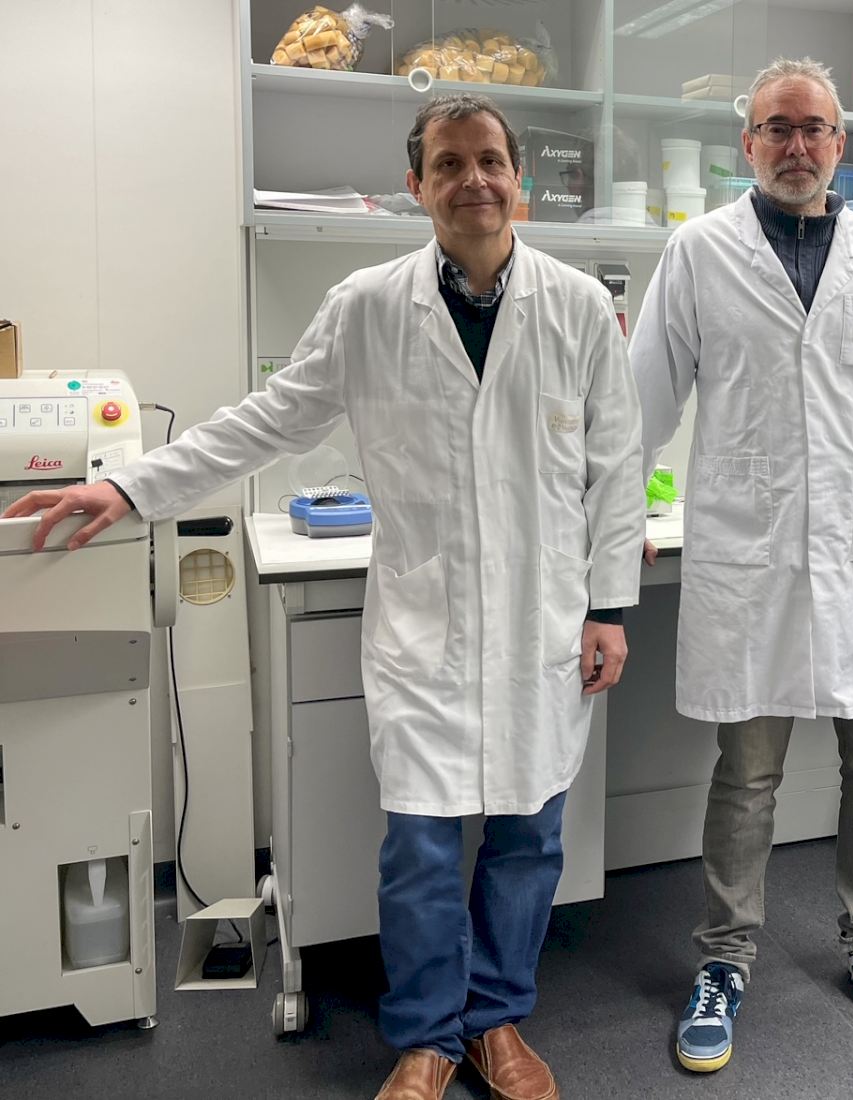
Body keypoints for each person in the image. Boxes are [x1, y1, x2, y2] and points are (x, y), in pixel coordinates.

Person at [4, 94, 644, 1100]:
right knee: (419, 849)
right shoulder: (368, 306)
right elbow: (263, 422)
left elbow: (617, 464)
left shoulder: (577, 307)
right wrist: (127, 486)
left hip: (544, 623)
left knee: (528, 840)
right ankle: (428, 1037)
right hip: (426, 628)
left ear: (518, 178)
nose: (473, 179)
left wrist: (610, 606)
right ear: (416, 185)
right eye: (449, 163)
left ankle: (497, 1020)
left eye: (490, 160)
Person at [627, 57, 853, 1072]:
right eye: (777, 128)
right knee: (748, 773)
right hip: (754, 553)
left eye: (815, 128)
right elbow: (646, 397)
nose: (797, 145)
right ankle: (725, 957)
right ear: (748, 143)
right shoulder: (699, 251)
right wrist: (611, 515)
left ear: (839, 144)